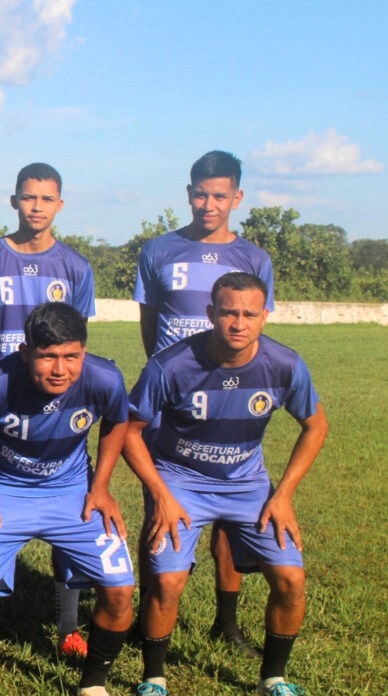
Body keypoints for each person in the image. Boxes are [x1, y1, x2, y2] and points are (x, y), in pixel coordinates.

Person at [124, 272, 327, 696]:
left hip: (248, 485)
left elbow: (316, 426)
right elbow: (130, 432)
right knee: (168, 581)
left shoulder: (285, 364)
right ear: (211, 313)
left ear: (265, 315)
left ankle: (273, 678)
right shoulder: (171, 365)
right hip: (181, 481)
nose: (239, 322)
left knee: (291, 580)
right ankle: (153, 680)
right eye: (229, 312)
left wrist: (283, 494)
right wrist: (160, 493)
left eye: (250, 313)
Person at [0, 302, 133, 696]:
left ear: (84, 351)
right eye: (48, 355)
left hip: (71, 492)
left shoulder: (104, 377)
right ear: (24, 350)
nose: (60, 369)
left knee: (121, 590)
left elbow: (118, 421)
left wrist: (100, 487)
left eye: (71, 356)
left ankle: (94, 684)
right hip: (0, 493)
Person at [133, 150, 276, 657]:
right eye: (200, 193)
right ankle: (145, 608)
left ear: (236, 197)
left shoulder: (255, 258)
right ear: (188, 192)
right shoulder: (158, 251)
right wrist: (172, 380)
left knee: (230, 516)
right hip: (172, 402)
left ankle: (226, 621)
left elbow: (254, 327)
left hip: (230, 399)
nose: (208, 203)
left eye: (220, 195)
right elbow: (152, 326)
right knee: (161, 510)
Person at [0, 162, 96, 659]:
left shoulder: (76, 267)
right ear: (14, 200)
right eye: (28, 197)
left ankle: (67, 624)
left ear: (60, 204)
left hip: (59, 403)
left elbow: (80, 339)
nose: (36, 206)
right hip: (4, 407)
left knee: (73, 507)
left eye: (47, 198)